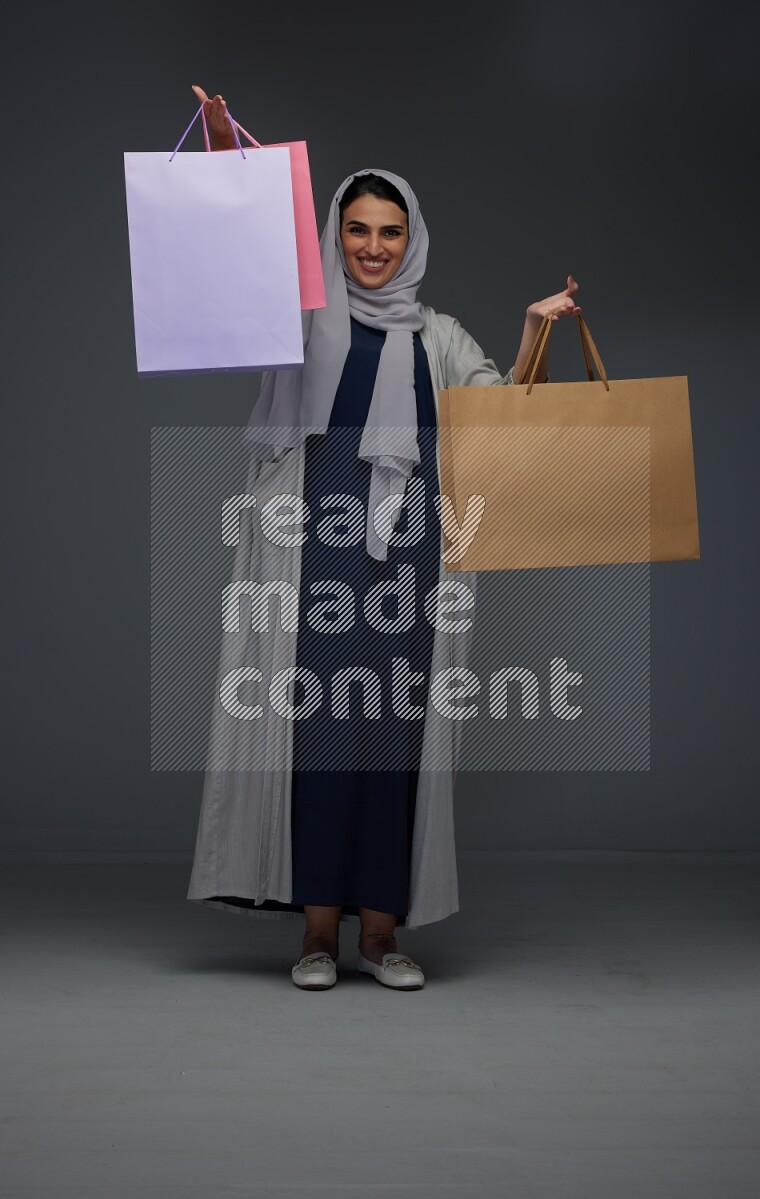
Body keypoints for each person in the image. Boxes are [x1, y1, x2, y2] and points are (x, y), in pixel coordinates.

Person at [186, 86, 582, 991]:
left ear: (413, 241)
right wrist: (221, 156)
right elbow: (236, 266)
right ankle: (317, 936)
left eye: (389, 233)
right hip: (310, 553)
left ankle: (382, 935)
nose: (371, 247)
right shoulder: (299, 320)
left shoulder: (436, 337)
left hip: (408, 561)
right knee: (317, 734)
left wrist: (532, 328)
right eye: (357, 229)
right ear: (338, 232)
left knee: (392, 737)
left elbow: (500, 414)